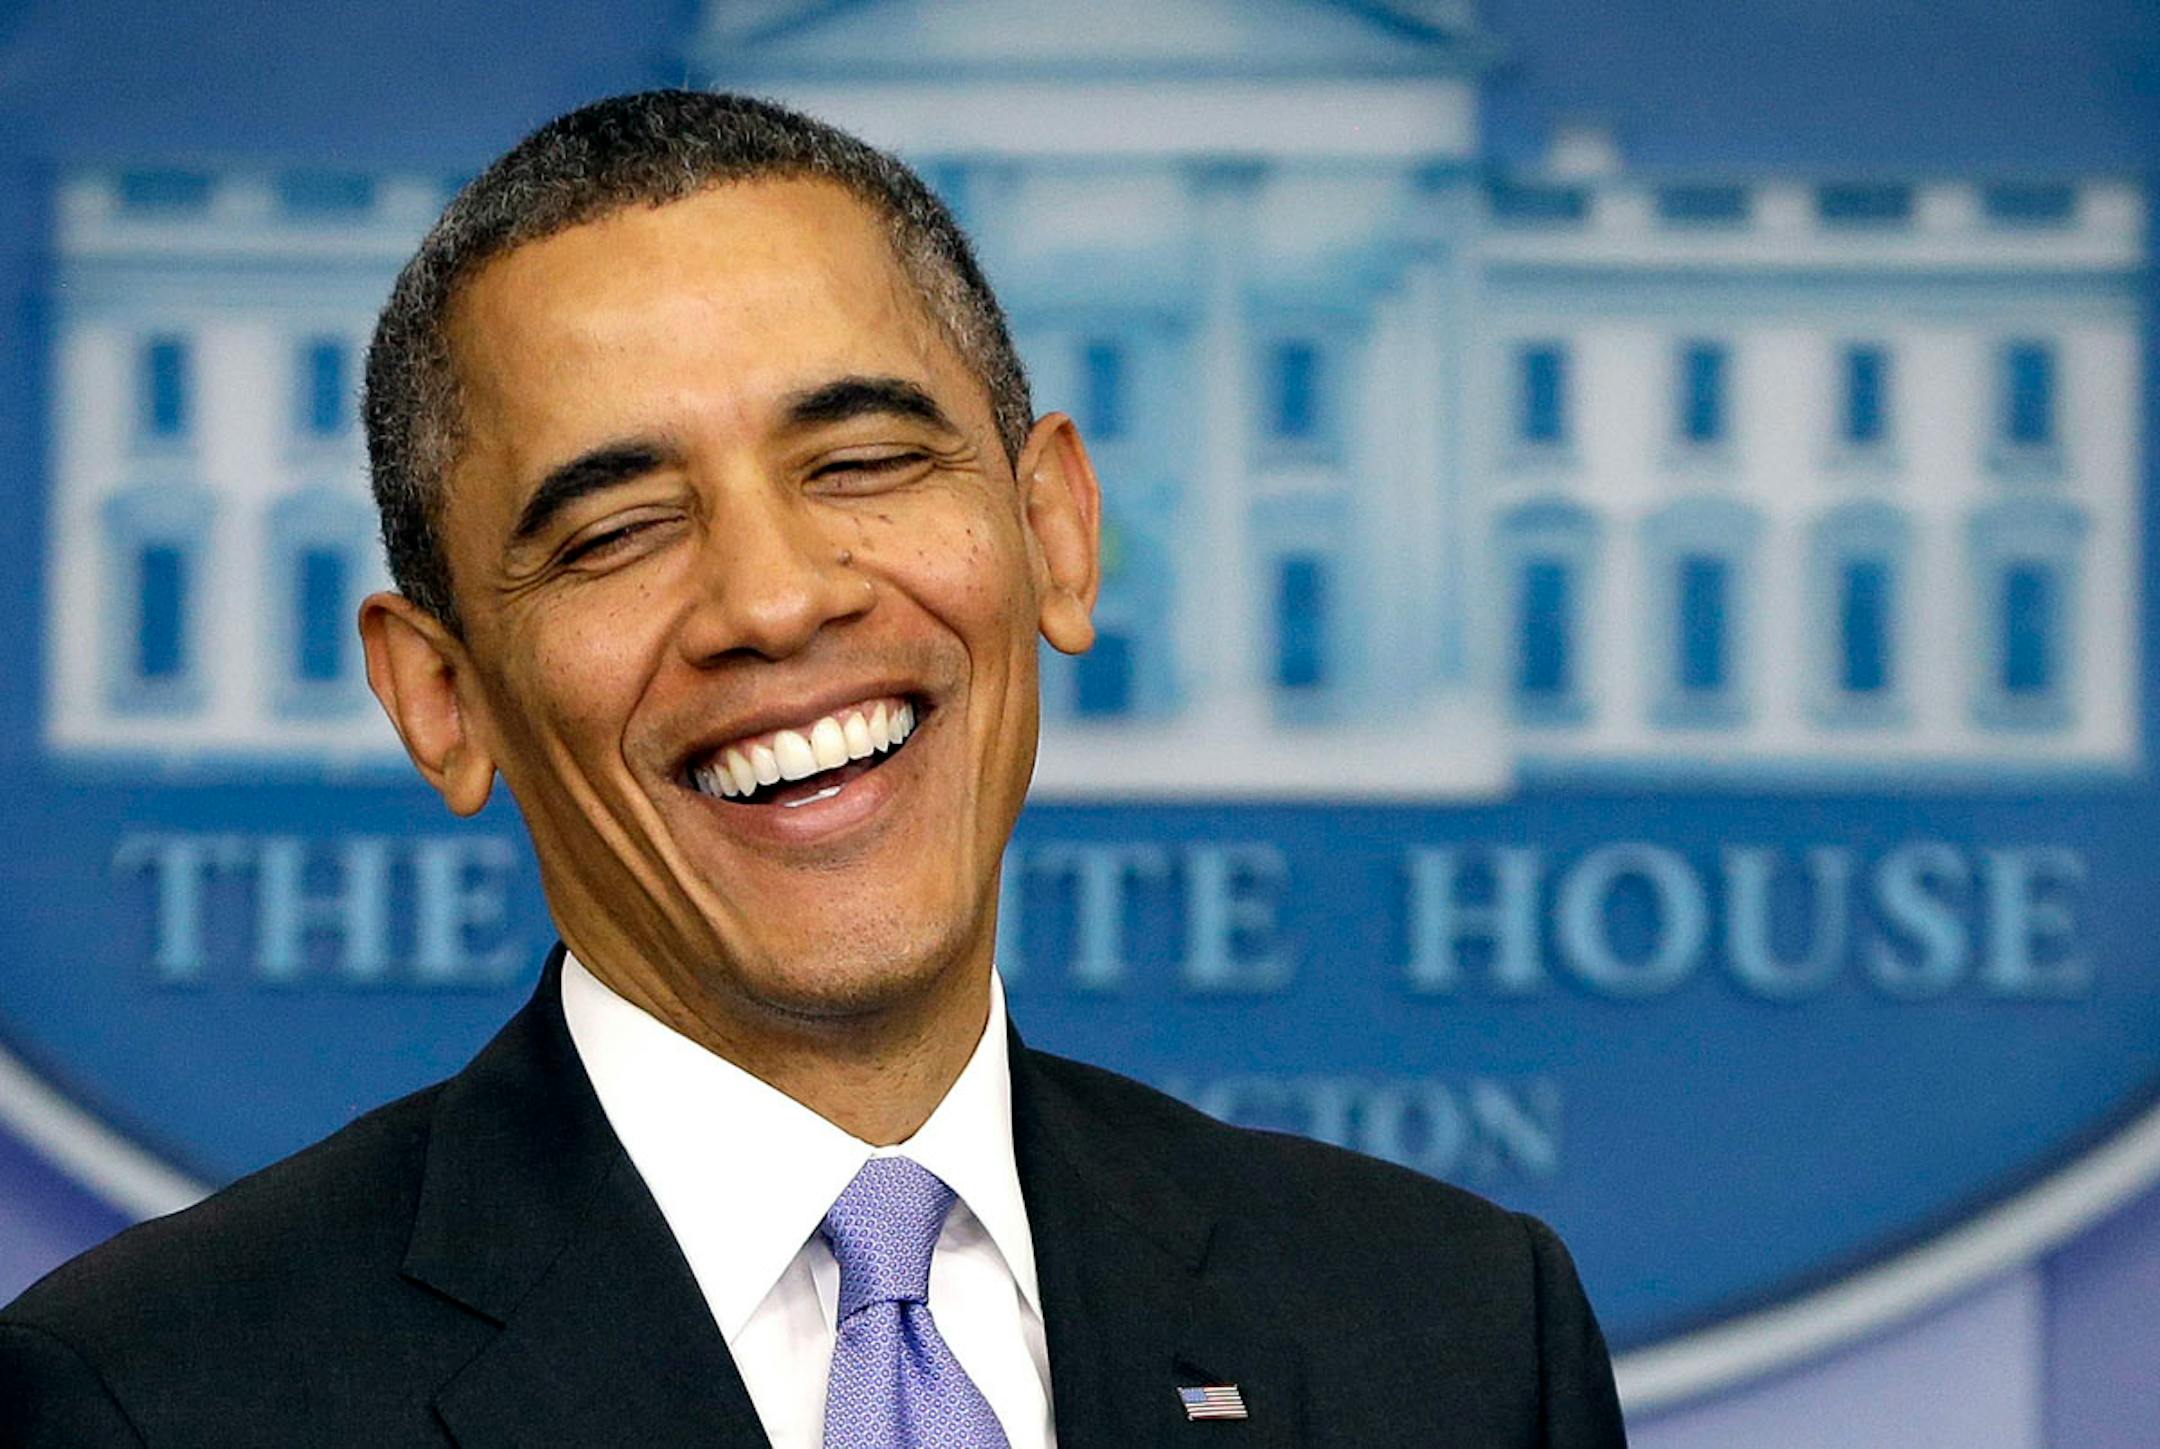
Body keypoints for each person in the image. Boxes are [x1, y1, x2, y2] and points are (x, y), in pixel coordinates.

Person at [0, 91, 1626, 1447]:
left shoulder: (1463, 1339)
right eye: (617, 529)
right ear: (442, 699)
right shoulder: (152, 1398)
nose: (778, 599)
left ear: (1055, 532)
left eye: (862, 461)